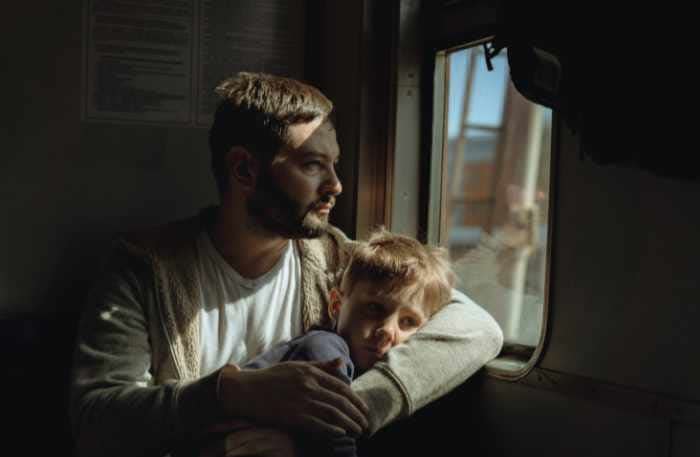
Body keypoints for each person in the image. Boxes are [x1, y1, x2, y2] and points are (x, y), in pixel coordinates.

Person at [69, 72, 504, 457]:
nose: (335, 185)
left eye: (334, 164)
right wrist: (231, 394)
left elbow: (478, 328)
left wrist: (338, 417)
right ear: (244, 171)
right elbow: (94, 422)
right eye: (313, 164)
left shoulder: (338, 261)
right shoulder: (145, 269)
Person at [197, 228, 456, 457]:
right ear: (335, 305)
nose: (388, 330)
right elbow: (332, 431)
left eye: (408, 322)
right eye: (375, 309)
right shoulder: (325, 349)